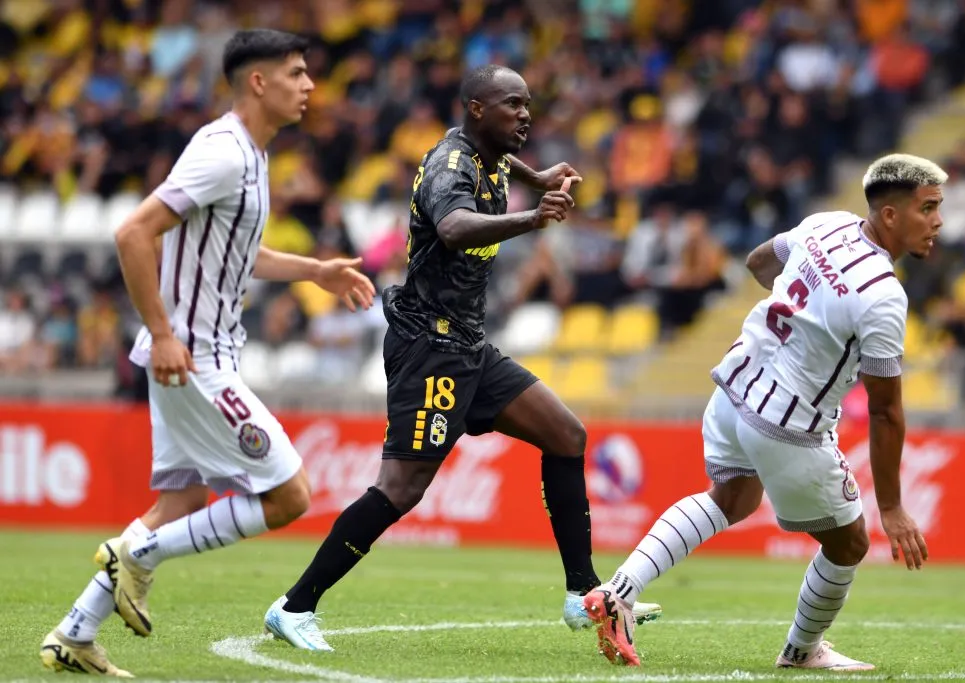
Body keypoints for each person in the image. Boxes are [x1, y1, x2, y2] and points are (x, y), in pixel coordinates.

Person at [263, 64, 662, 651]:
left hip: (469, 342)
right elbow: (452, 228)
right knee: (399, 489)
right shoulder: (450, 167)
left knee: (566, 435)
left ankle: (582, 594)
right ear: (477, 109)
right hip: (429, 347)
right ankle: (294, 607)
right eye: (512, 104)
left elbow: (503, 163)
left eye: (528, 103)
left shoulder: (490, 152)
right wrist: (533, 215)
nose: (525, 114)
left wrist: (538, 175)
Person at [40, 29, 376, 677]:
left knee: (181, 505)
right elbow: (134, 231)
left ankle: (76, 631)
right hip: (193, 358)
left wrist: (315, 271)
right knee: (289, 495)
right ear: (259, 81)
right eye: (297, 73)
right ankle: (136, 556)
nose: (309, 86)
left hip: (195, 355)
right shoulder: (223, 152)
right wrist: (163, 333)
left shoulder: (253, 156)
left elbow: (241, 252)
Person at [581, 153, 943, 669]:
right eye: (927, 207)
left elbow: (757, 263)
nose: (938, 221)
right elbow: (885, 412)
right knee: (849, 544)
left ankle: (619, 591)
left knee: (729, 499)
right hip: (786, 422)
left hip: (735, 383)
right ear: (890, 215)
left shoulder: (827, 223)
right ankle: (801, 650)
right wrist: (891, 507)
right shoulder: (883, 295)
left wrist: (803, 308)